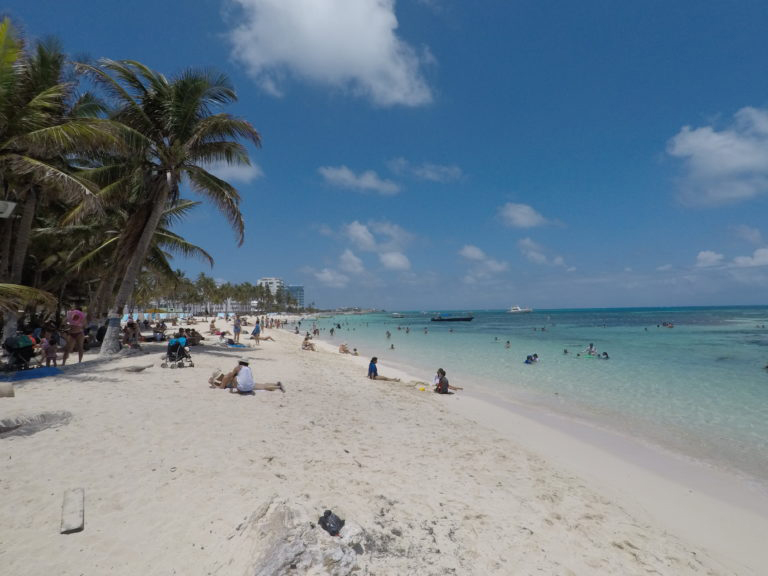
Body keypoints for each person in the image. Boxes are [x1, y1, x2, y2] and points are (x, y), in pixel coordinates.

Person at [209, 358, 284, 393]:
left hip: (241, 388)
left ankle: (278, 386)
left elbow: (223, 385)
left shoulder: (236, 369)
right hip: (250, 386)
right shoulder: (248, 368)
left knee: (231, 375)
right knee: (263, 386)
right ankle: (277, 386)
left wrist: (213, 383)